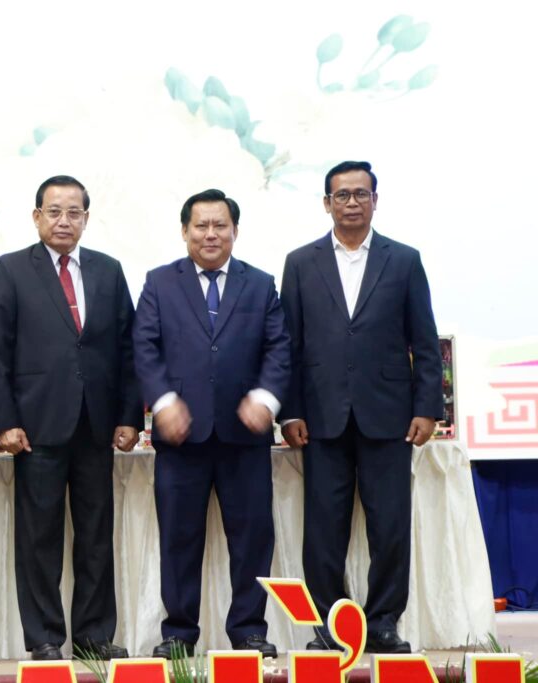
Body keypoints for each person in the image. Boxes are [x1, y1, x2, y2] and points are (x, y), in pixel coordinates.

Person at [280, 161, 442, 654]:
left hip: (389, 415)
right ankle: (329, 626)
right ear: (326, 203)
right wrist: (290, 412)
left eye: (360, 194)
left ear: (375, 200)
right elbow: (289, 344)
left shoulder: (404, 260)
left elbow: (424, 340)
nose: (351, 202)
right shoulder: (300, 262)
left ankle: (384, 622)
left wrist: (427, 406)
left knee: (389, 525)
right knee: (323, 530)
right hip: (321, 417)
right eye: (342, 195)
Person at [0, 175, 143, 661]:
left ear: (86, 219)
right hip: (36, 427)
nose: (63, 221)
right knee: (39, 538)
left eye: (74, 212)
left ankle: (94, 635)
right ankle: (45, 637)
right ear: (37, 217)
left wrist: (129, 416)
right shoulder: (11, 269)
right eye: (54, 211)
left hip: (96, 425)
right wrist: (5, 421)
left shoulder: (108, 270)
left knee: (95, 537)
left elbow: (127, 348)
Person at [133, 189, 290, 659]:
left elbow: (278, 348)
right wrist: (163, 402)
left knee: (252, 538)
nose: (210, 234)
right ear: (185, 231)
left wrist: (265, 399)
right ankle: (179, 633)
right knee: (179, 539)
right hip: (181, 438)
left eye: (220, 225)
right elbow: (144, 346)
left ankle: (249, 630)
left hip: (245, 436)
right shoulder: (160, 282)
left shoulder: (260, 284)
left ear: (235, 231)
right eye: (200, 225)